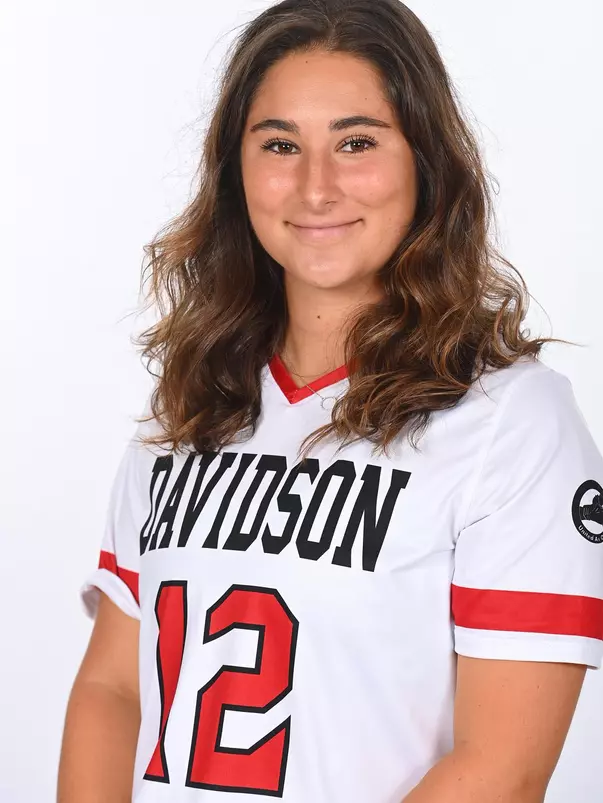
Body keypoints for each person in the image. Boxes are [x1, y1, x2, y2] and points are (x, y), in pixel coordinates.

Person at [57, 1, 603, 801]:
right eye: (279, 144)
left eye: (356, 142)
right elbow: (114, 689)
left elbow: (501, 769)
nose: (316, 187)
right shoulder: (190, 404)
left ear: (425, 161)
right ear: (233, 169)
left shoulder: (511, 422)